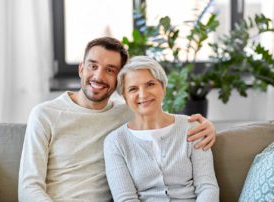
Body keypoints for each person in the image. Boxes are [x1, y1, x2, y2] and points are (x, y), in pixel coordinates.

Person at [18, 37, 217, 202]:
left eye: (110, 70)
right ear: (81, 69)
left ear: (118, 81)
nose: (98, 76)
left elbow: (165, 122)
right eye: (92, 66)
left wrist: (207, 126)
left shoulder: (128, 111)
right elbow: (28, 187)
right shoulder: (45, 114)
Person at [104, 56, 219, 202]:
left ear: (163, 88)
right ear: (125, 97)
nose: (143, 94)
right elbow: (125, 199)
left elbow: (207, 187)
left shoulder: (193, 128)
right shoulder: (115, 142)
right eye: (133, 89)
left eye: (150, 84)